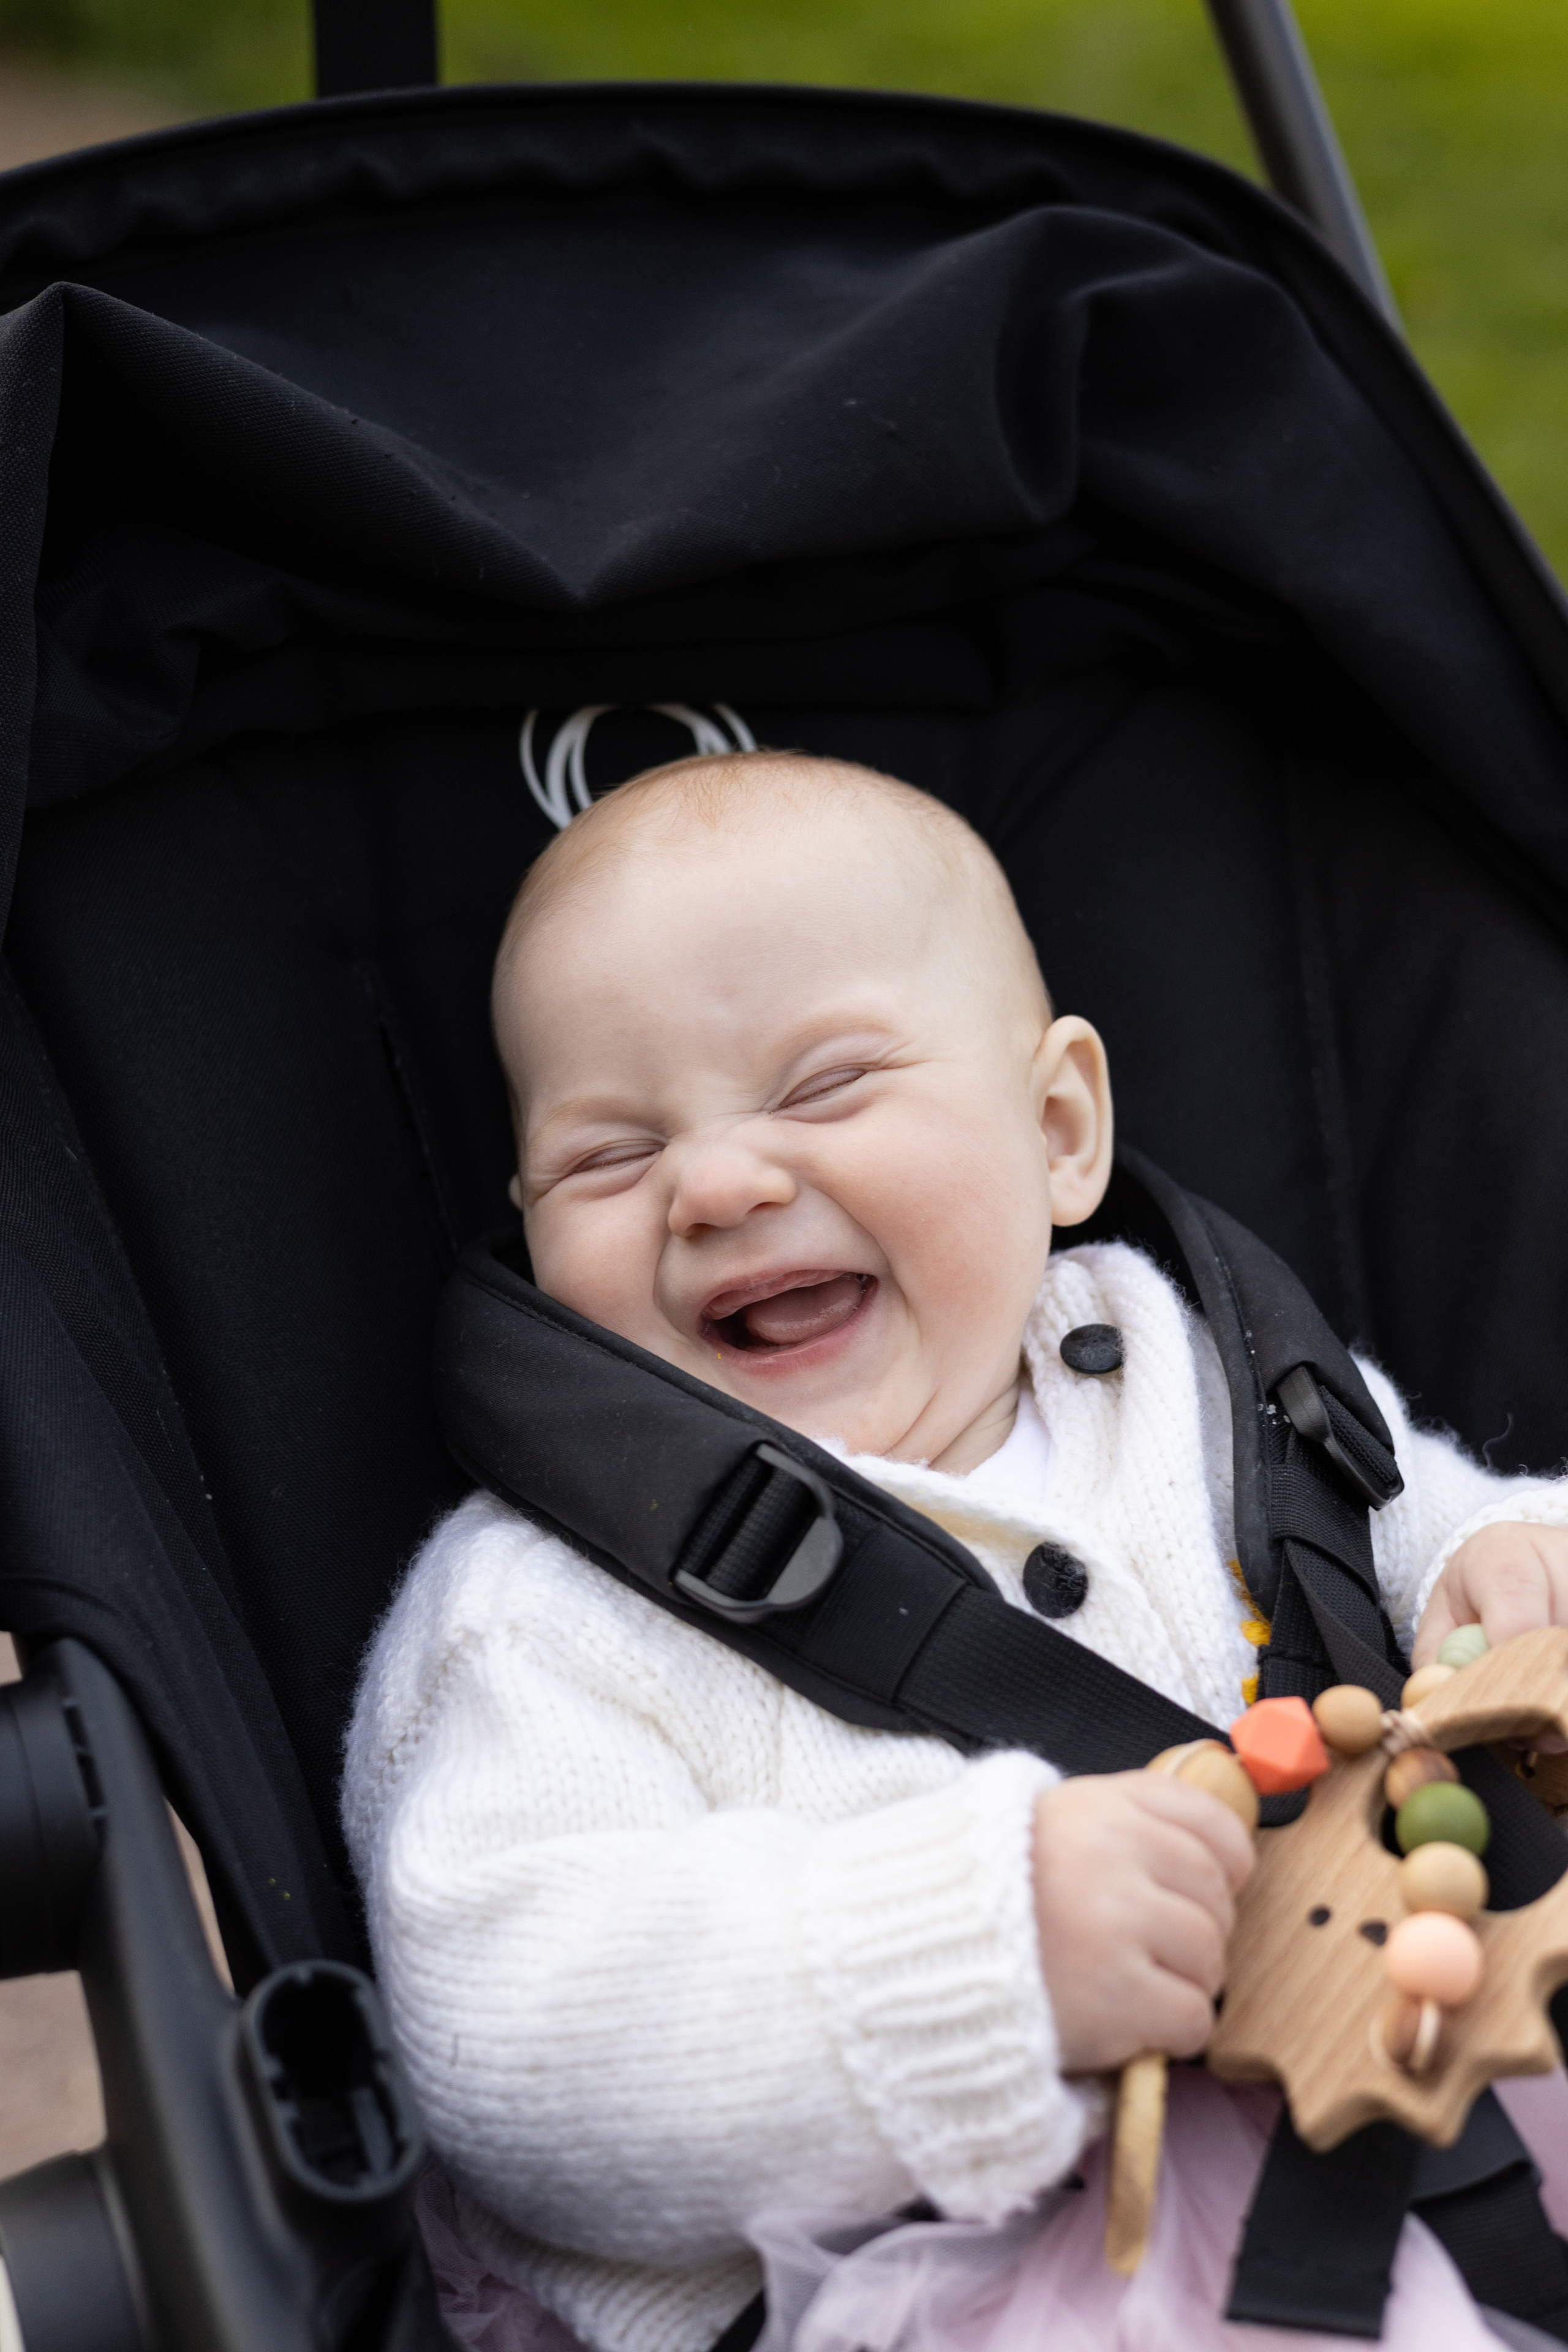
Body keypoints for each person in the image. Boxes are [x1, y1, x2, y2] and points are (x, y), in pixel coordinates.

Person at [344, 752, 1568, 2352]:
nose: (715, 1183)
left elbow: (1414, 1520)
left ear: (1060, 1131)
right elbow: (513, 2029)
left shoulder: (1200, 1362)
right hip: (975, 2271)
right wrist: (984, 1956)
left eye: (824, 1087)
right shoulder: (543, 1605)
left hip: (1418, 2053)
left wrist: (1510, 1560)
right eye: (608, 1159)